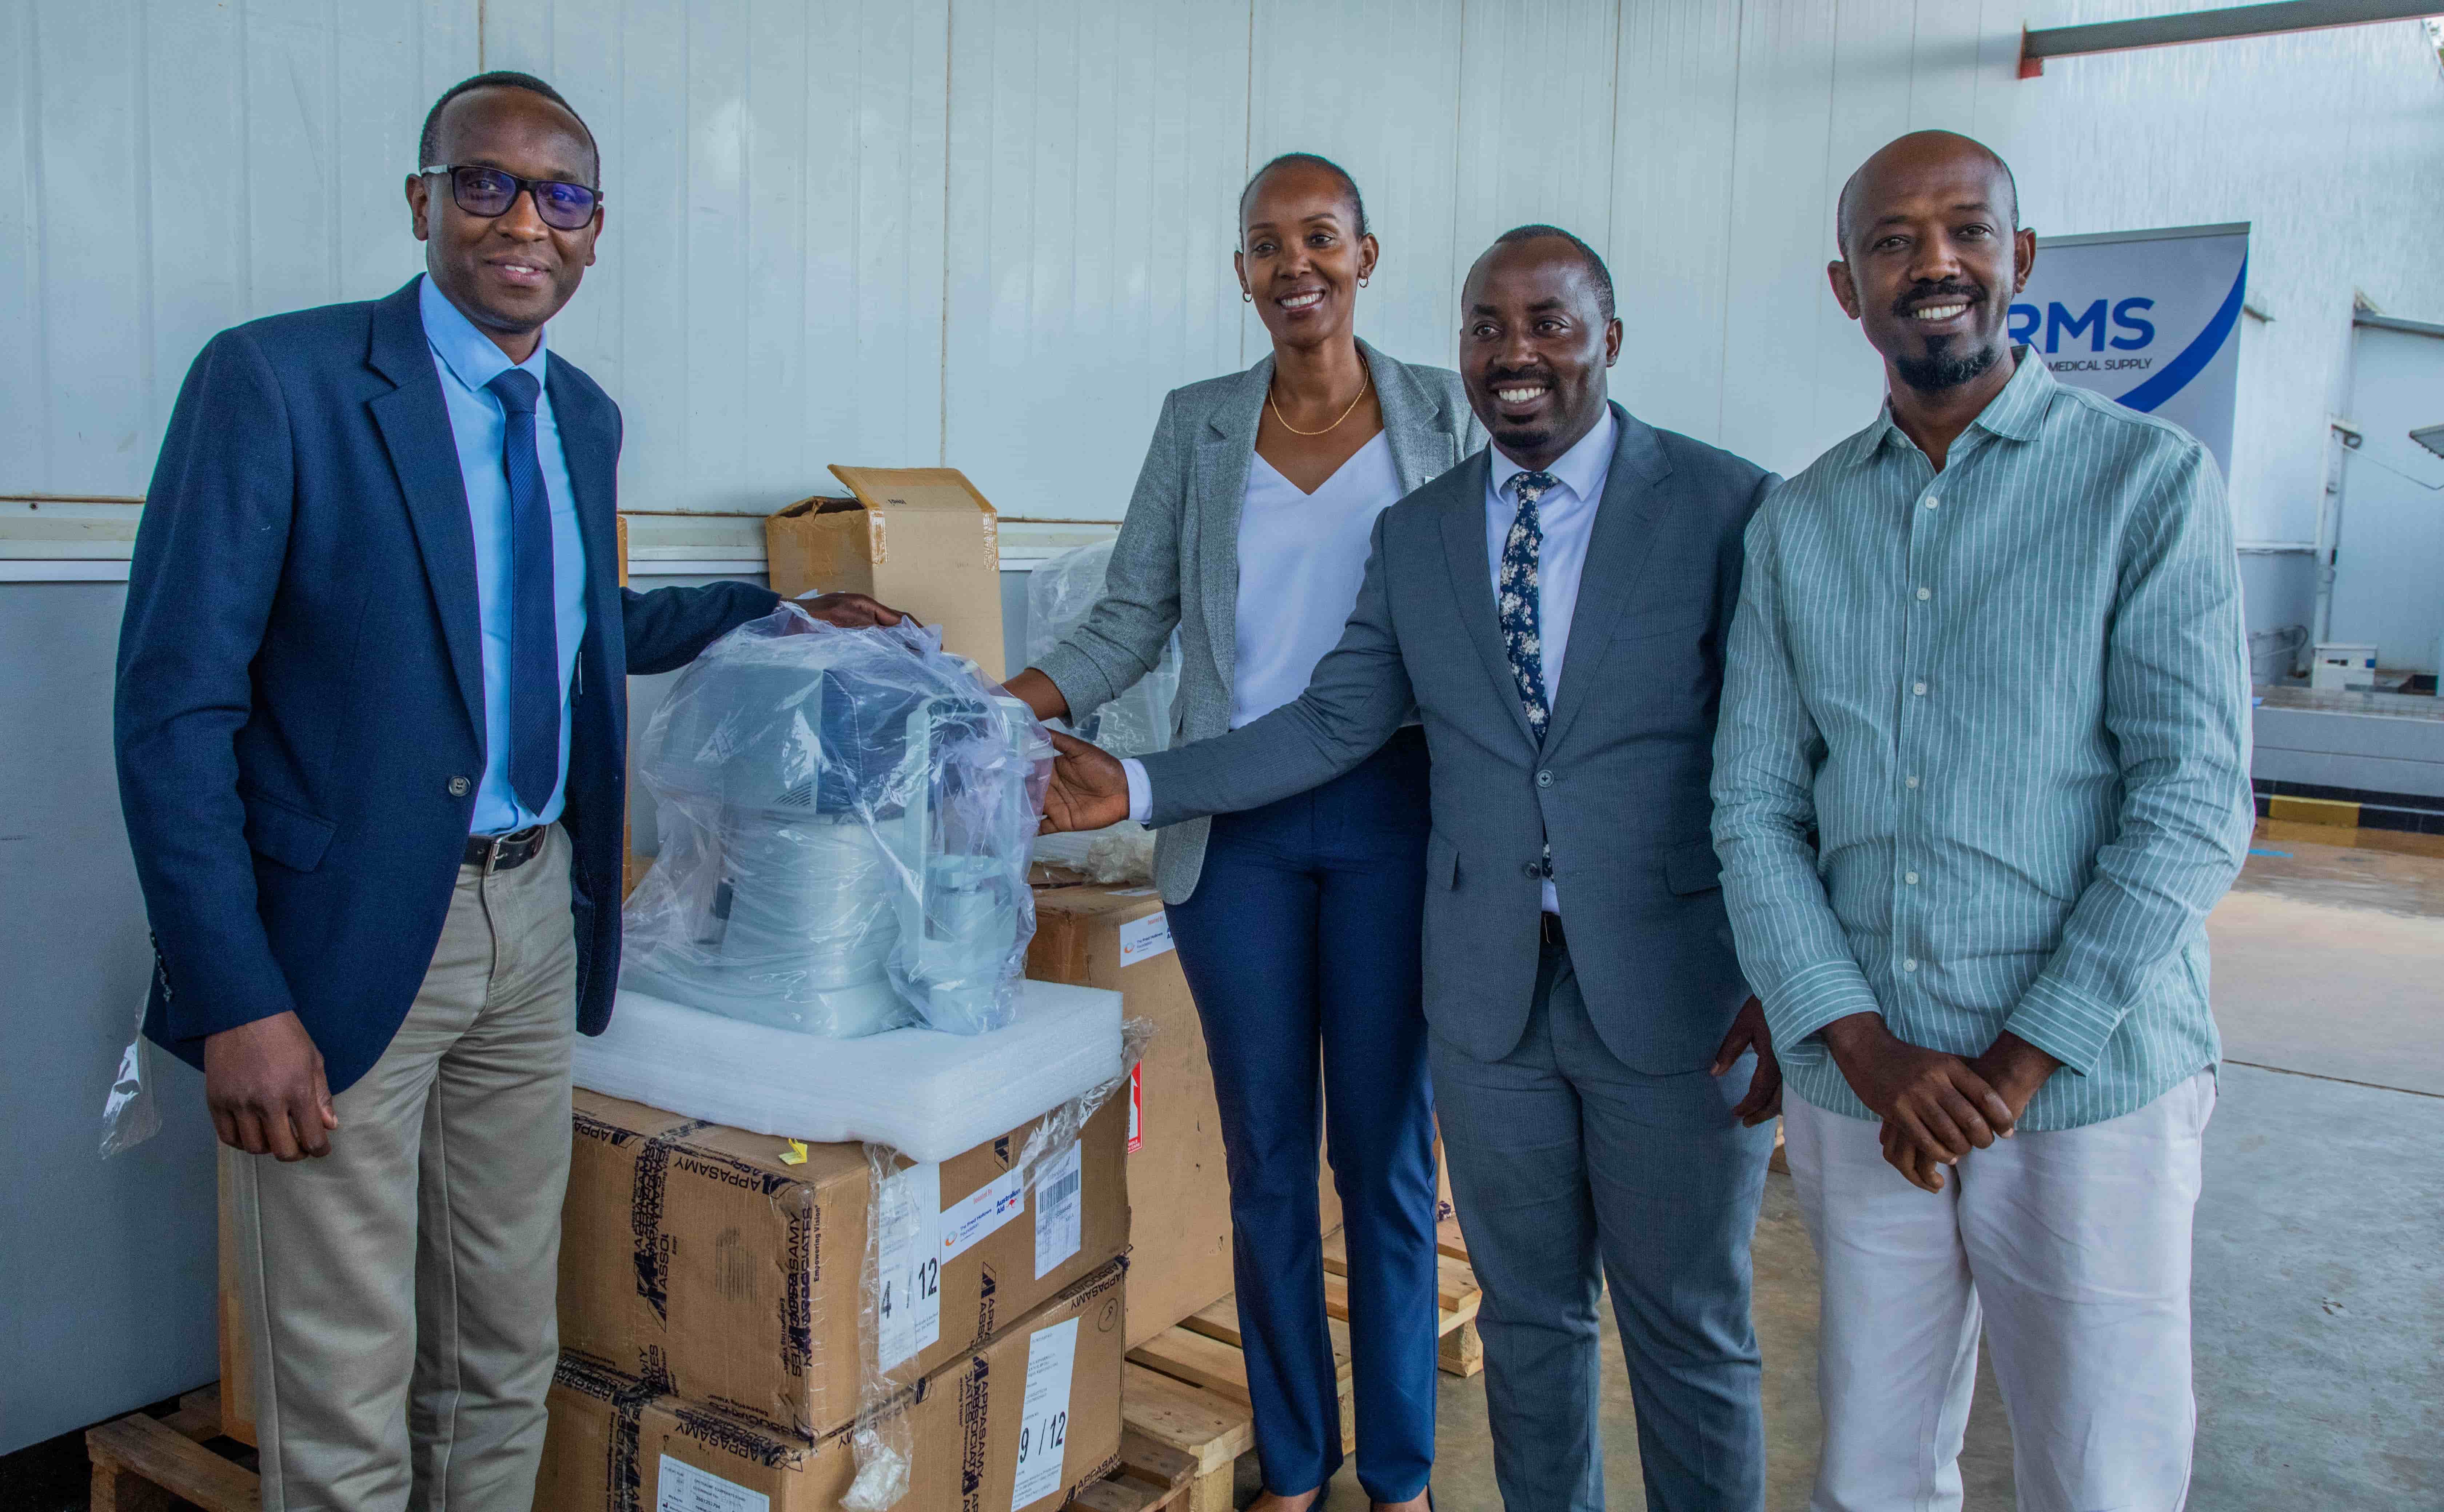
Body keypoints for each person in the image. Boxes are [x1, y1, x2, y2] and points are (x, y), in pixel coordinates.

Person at [113, 72, 902, 1511]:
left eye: (561, 195)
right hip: (343, 942)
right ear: (422, 202)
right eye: (485, 182)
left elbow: (580, 625)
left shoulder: (580, 416)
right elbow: (174, 709)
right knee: (342, 1375)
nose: (522, 219)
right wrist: (235, 990)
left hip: (536, 921)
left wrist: (781, 613)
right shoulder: (278, 382)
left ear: (596, 232)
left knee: (502, 1343)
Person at [1041, 225, 1785, 1512]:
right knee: (1533, 1322)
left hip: (1672, 986)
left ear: (1612, 338)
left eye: (1550, 323)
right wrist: (1144, 784)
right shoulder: (1423, 531)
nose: (1517, 354)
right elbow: (1336, 717)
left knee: (1685, 1333)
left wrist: (1795, 974)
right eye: (1488, 327)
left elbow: (1779, 759)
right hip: (1489, 980)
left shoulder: (1727, 507)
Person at [1710, 130, 2251, 1512]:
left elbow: (2190, 802)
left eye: (1965, 231)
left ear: (2023, 259)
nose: (1932, 262)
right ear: (1849, 288)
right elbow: (1757, 807)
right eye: (1894, 241)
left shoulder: (2147, 485)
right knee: (1872, 1470)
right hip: (1864, 1088)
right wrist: (1861, 1041)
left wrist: (2014, 1067)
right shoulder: (1801, 522)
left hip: (2090, 1091)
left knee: (2104, 1471)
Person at [1003, 153, 1478, 1512]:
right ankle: (1295, 1461)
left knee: (1384, 1153)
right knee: (1271, 1157)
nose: (1296, 269)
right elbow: (1125, 619)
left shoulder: (1441, 415)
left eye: (1320, 240)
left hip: (1400, 815)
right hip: (1235, 828)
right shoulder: (1200, 424)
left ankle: (1397, 1475)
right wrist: (994, 706)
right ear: (1241, 273)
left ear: (1368, 257)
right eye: (1268, 247)